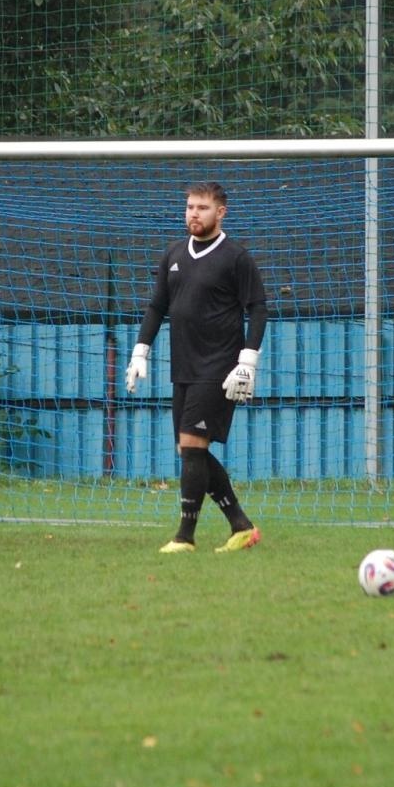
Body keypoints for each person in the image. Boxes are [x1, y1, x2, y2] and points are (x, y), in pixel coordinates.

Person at [125, 182, 268, 554]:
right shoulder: (173, 253)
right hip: (183, 366)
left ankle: (184, 537)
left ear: (221, 212)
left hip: (219, 367)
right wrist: (140, 352)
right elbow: (157, 307)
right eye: (190, 206)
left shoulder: (235, 257)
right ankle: (242, 526)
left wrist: (247, 361)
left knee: (192, 446)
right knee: (191, 452)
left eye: (202, 208)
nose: (193, 213)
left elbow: (258, 308)